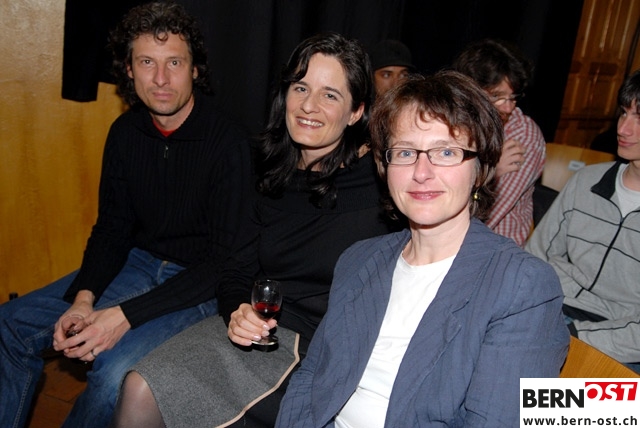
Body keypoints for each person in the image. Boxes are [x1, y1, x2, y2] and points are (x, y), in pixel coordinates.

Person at [108, 32, 393, 428]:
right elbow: (235, 271)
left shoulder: (379, 184)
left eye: (330, 95)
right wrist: (237, 311)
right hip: (259, 333)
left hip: (319, 352)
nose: (308, 105)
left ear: (356, 111)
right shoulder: (268, 173)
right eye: (300, 88)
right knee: (139, 386)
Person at [0, 2, 252, 427]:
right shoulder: (124, 133)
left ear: (195, 70)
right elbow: (112, 229)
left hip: (200, 284)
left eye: (174, 62)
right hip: (138, 263)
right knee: (9, 325)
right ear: (129, 71)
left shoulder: (229, 142)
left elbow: (223, 263)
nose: (161, 78)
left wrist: (122, 317)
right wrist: (84, 299)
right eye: (147, 62)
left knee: (113, 376)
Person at [276, 71, 569, 428]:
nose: (421, 172)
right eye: (405, 152)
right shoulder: (360, 260)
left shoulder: (521, 287)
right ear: (384, 167)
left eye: (446, 152)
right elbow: (311, 380)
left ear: (480, 169)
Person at [526, 69, 640, 372]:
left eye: (639, 118)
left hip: (619, 340)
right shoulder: (587, 181)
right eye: (624, 113)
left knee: (563, 404)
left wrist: (574, 335)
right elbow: (535, 257)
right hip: (553, 308)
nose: (624, 128)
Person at [453, 38, 546, 246]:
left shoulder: (523, 136)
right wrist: (490, 169)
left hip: (492, 245)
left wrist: (488, 173)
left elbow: (485, 219)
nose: (508, 107)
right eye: (496, 96)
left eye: (513, 97)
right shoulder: (453, 124)